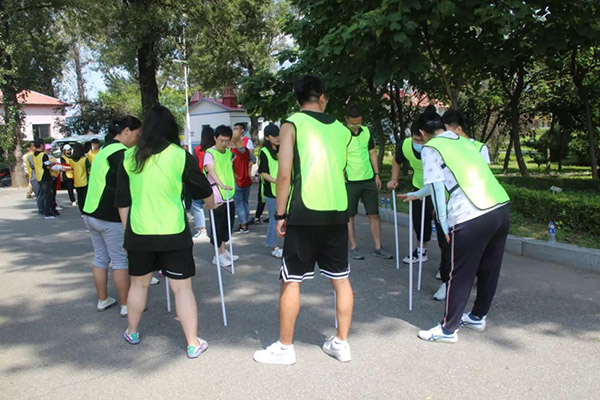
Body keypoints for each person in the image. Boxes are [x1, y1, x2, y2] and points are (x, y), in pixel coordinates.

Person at [254, 74, 353, 365]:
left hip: (305, 209)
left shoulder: (292, 123)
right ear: (323, 98)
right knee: (341, 280)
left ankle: (285, 348)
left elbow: (284, 173)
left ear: (298, 101)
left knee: (291, 280)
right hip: (337, 210)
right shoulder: (342, 130)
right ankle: (341, 343)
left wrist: (280, 214)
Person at [116, 105, 215, 358]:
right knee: (182, 289)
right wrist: (212, 203)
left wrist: (128, 235)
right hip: (174, 232)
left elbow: (123, 203)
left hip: (139, 232)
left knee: (139, 286)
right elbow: (203, 190)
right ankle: (192, 343)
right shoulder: (179, 155)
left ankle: (132, 331)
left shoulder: (129, 157)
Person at [408, 110, 510, 343]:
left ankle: (447, 329)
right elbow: (455, 178)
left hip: (471, 213)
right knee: (489, 268)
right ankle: (477, 317)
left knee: (460, 273)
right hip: (500, 208)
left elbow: (437, 188)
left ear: (422, 132)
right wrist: (418, 194)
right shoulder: (462, 141)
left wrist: (443, 224)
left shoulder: (431, 148)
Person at [82, 116, 141, 316]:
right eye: (137, 133)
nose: (138, 138)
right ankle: (126, 305)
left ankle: (103, 300)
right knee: (120, 261)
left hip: (90, 212)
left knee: (100, 258)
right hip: (109, 215)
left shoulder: (104, 150)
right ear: (126, 131)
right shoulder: (121, 154)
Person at [388, 121, 451, 301]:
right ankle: (421, 252)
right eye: (416, 140)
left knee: (443, 230)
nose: (419, 143)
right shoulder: (406, 146)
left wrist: (443, 204)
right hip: (420, 188)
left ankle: (446, 267)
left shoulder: (437, 147)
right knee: (419, 222)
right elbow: (397, 160)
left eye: (421, 140)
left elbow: (444, 179)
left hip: (441, 190)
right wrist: (394, 179)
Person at [344, 105, 392, 260]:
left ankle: (378, 247)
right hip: (350, 181)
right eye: (353, 123)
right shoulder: (342, 134)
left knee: (374, 214)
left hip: (368, 179)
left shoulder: (366, 132)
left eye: (358, 122)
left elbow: (372, 153)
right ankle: (353, 247)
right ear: (346, 120)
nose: (356, 126)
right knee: (350, 216)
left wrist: (377, 174)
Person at [204, 125, 238, 267]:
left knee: (227, 224)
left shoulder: (228, 153)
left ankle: (223, 251)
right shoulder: (210, 153)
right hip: (217, 193)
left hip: (229, 193)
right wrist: (221, 184)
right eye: (221, 140)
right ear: (215, 138)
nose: (224, 143)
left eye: (226, 141)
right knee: (217, 225)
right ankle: (218, 255)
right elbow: (211, 171)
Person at [258, 123, 283, 258]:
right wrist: (276, 181)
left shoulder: (281, 149)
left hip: (284, 189)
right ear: (267, 137)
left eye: (278, 135)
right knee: (275, 219)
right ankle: (274, 247)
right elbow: (263, 173)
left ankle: (275, 244)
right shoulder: (264, 152)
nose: (278, 138)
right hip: (271, 191)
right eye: (274, 136)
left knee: (284, 219)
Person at [190, 126, 214, 241]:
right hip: (214, 181)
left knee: (197, 204)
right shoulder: (215, 150)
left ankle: (202, 229)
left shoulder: (197, 150)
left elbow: (194, 167)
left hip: (201, 180)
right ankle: (214, 228)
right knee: (213, 204)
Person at [231, 122, 255, 233]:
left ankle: (243, 225)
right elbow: (253, 159)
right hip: (247, 179)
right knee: (245, 202)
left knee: (239, 204)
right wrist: (248, 169)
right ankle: (246, 221)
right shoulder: (246, 150)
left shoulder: (232, 152)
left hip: (237, 180)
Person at [29, 139, 57, 219]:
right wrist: (51, 165)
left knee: (45, 194)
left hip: (39, 176)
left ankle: (51, 211)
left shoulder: (34, 155)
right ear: (41, 145)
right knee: (48, 195)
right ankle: (47, 213)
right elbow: (47, 166)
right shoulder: (43, 155)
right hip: (45, 176)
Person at [66, 143, 89, 213]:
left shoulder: (71, 161)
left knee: (80, 197)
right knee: (85, 197)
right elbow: (89, 169)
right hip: (85, 181)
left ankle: (81, 211)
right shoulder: (84, 159)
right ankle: (86, 211)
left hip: (77, 182)